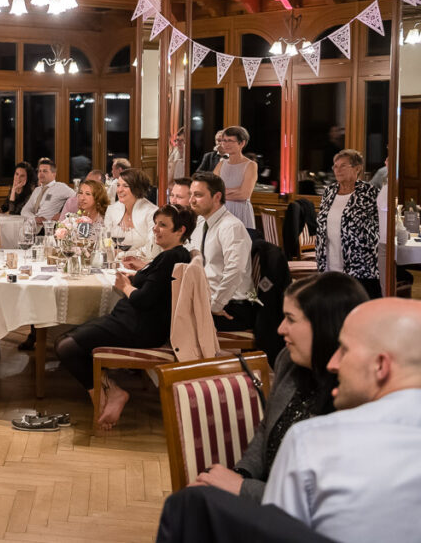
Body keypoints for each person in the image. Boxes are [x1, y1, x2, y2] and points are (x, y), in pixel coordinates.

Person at [159, 298, 421, 543]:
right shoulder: (291, 368)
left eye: (345, 349)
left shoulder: (315, 440)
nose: (333, 362)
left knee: (189, 506)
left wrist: (239, 487)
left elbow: (276, 530)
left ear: (381, 366)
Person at [192, 272, 369, 501]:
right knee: (190, 500)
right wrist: (240, 474)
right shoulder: (289, 361)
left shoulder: (357, 395)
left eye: (291, 319)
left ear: (324, 326)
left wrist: (242, 488)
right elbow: (266, 429)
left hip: (299, 522)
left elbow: (319, 502)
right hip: (266, 497)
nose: (280, 329)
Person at [55, 205, 196, 430]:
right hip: (131, 321)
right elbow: (157, 286)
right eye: (156, 223)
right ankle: (108, 391)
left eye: (163, 225)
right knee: (67, 340)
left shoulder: (171, 257)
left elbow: (144, 299)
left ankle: (108, 395)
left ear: (181, 230)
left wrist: (126, 286)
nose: (156, 229)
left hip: (138, 327)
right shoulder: (173, 256)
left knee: (66, 346)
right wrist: (141, 273)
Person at [188, 172, 258, 332]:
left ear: (217, 197)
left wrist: (215, 305)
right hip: (207, 298)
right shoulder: (200, 222)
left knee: (173, 321)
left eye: (198, 195)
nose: (191, 200)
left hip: (231, 306)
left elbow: (235, 270)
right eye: (191, 194)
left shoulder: (231, 226)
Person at [316, 149, 380, 299]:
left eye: (343, 166)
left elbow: (378, 225)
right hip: (329, 260)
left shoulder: (369, 192)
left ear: (357, 168)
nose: (337, 170)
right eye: (335, 166)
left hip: (359, 264)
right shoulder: (329, 191)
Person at [103, 168, 160, 260]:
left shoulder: (152, 212)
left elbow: (151, 249)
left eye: (125, 186)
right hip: (113, 264)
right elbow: (104, 240)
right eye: (118, 185)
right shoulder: (112, 209)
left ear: (137, 188)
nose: (119, 190)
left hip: (142, 266)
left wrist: (124, 254)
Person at [213, 126, 257, 230]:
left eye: (230, 141)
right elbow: (212, 189)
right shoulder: (221, 164)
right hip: (221, 210)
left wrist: (221, 194)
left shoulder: (250, 165)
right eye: (224, 140)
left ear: (242, 143)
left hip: (240, 211)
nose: (225, 144)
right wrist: (235, 190)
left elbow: (244, 194)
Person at [20, 158, 73, 225]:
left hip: (48, 227)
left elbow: (77, 199)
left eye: (45, 171)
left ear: (54, 174)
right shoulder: (37, 190)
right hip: (33, 225)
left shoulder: (61, 187)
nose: (41, 174)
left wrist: (63, 214)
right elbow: (24, 210)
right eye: (39, 171)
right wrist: (35, 218)